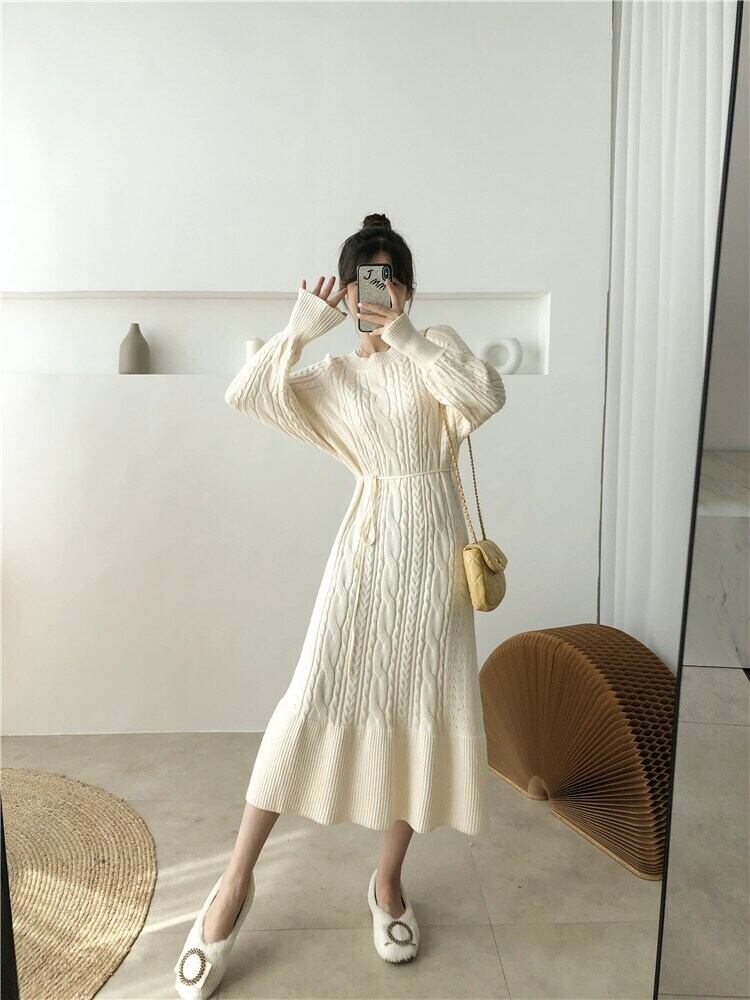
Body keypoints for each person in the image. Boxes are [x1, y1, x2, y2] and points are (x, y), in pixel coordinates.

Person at [174, 213, 507, 998]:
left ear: (407, 289)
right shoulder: (333, 377)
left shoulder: (435, 348)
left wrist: (408, 336)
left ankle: (387, 882)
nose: (375, 294)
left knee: (423, 709)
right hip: (364, 554)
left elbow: (485, 396)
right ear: (348, 293)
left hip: (434, 566)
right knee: (310, 701)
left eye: (388, 279)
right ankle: (232, 886)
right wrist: (301, 328)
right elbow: (246, 395)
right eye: (364, 281)